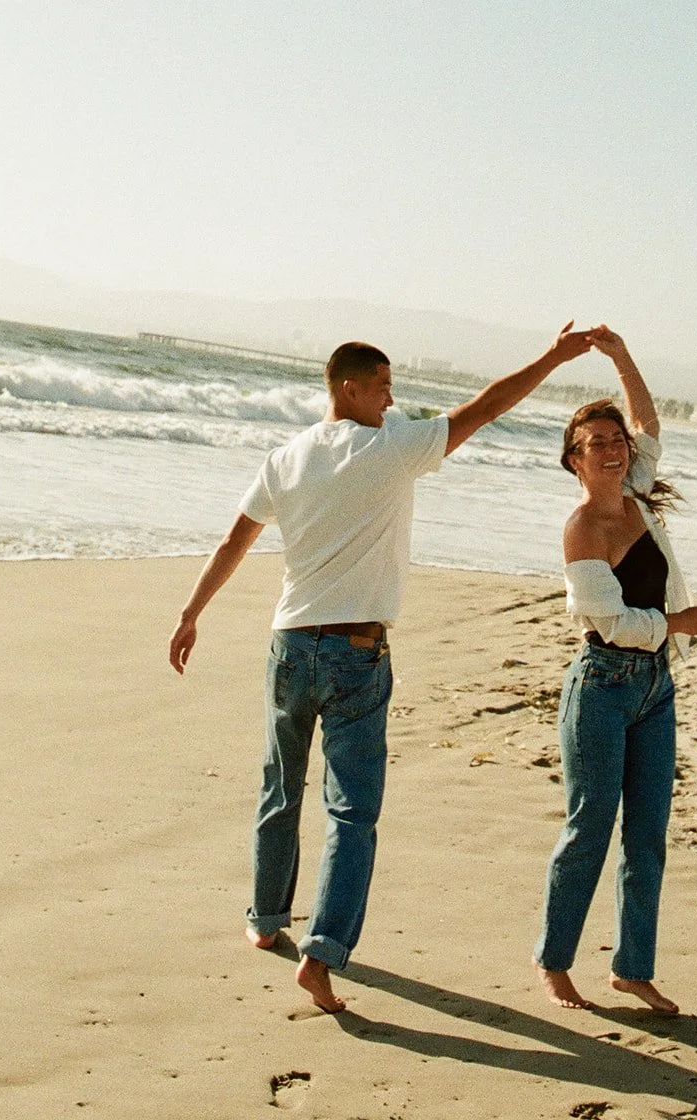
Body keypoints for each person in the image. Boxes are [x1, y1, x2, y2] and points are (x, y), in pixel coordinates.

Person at [170, 322, 592, 1013]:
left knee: (281, 785)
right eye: (384, 388)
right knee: (352, 811)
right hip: (355, 653)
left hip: (287, 644)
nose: (393, 401)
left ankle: (265, 919)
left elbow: (235, 538)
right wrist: (552, 356)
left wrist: (192, 613)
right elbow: (485, 408)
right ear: (348, 387)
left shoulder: (285, 456)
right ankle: (323, 950)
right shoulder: (391, 448)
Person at [534, 326, 697, 1016]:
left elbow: (647, 418)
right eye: (596, 445)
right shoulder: (583, 528)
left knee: (646, 834)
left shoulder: (638, 495)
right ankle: (554, 962)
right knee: (589, 826)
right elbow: (606, 620)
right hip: (603, 685)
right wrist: (678, 625)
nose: (613, 450)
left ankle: (631, 968)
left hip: (654, 689)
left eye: (616, 443)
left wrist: (618, 357)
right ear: (572, 460)